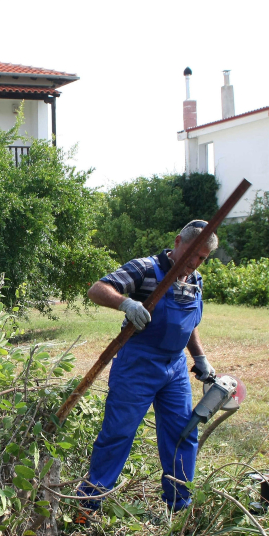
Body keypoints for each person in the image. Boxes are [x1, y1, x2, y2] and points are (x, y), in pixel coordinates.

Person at [77, 220, 218, 516]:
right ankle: (88, 505)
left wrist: (199, 357)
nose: (194, 262)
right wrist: (126, 304)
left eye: (202, 258)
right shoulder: (144, 268)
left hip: (175, 367)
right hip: (138, 363)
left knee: (183, 434)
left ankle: (178, 507)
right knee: (118, 432)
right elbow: (97, 289)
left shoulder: (195, 280)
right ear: (178, 242)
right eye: (192, 252)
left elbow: (188, 324)